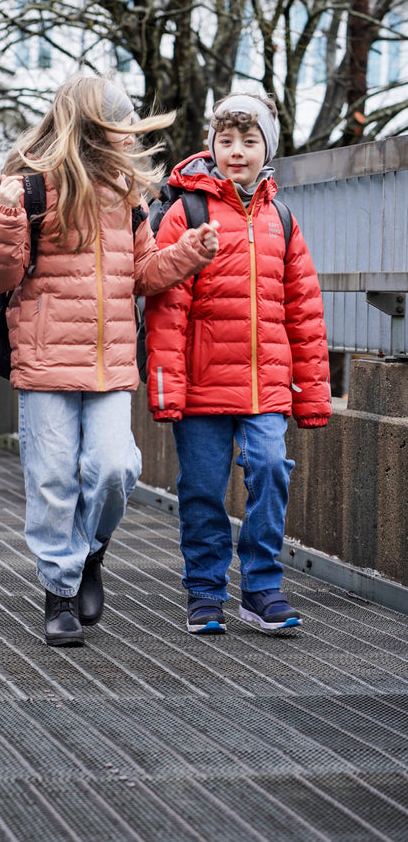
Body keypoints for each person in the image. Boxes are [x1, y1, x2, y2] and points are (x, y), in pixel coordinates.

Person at [0, 74, 219, 648]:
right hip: (44, 359)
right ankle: (59, 591)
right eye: (121, 130)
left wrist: (188, 253)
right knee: (53, 477)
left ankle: (89, 553)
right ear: (92, 132)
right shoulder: (31, 188)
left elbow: (142, 274)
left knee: (114, 468)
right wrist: (7, 218)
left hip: (108, 363)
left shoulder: (127, 197)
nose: (131, 141)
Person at [145, 93, 331, 635]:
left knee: (271, 469)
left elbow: (305, 310)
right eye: (225, 141)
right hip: (202, 386)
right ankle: (204, 591)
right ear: (212, 146)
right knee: (202, 487)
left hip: (266, 385)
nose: (236, 152)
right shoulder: (188, 211)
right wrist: (165, 387)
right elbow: (166, 307)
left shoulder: (282, 218)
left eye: (249, 142)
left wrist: (312, 393)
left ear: (266, 148)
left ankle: (261, 586)